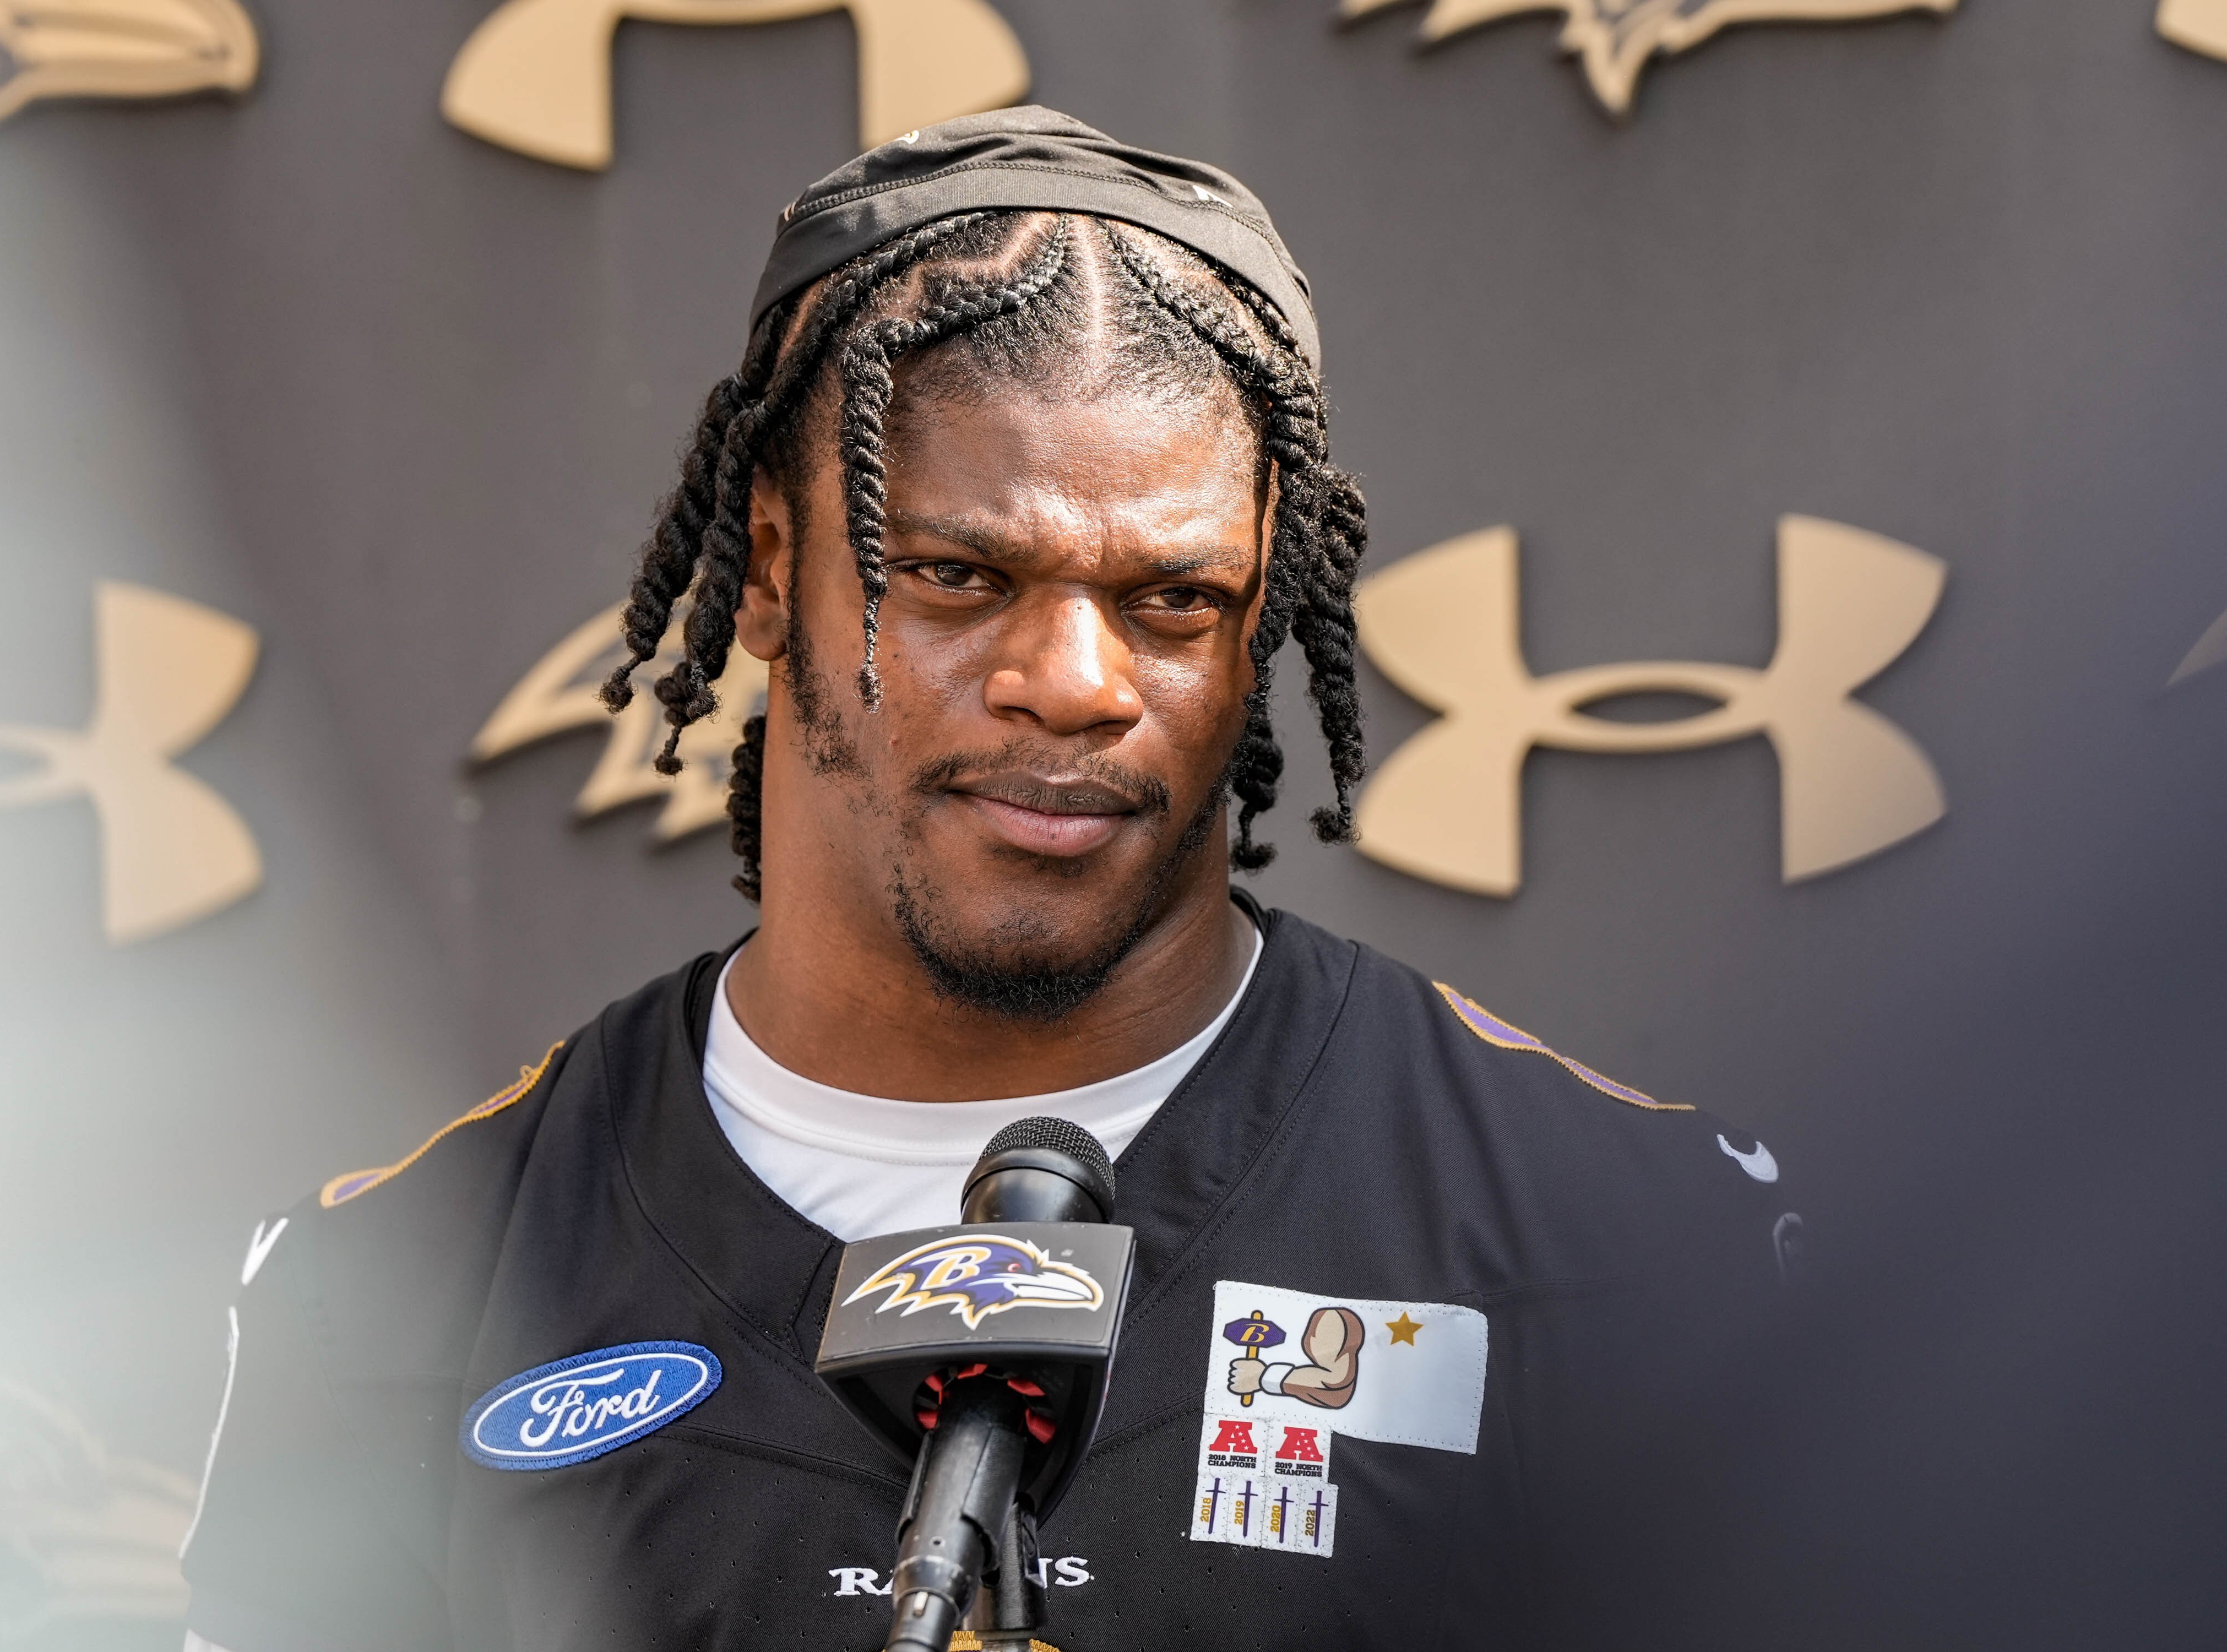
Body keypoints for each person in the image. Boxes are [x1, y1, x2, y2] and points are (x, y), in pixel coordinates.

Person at [178, 108, 1794, 1652]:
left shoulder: (1624, 1246)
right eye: (959, 577)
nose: (1073, 681)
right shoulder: (390, 1299)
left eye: (1171, 599)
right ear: (764, 571)